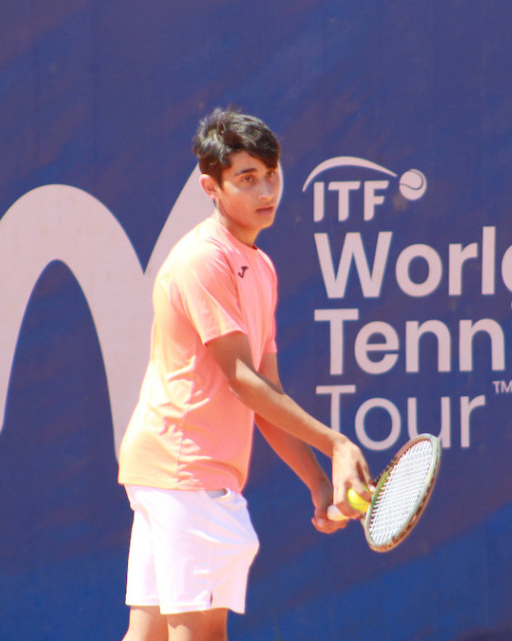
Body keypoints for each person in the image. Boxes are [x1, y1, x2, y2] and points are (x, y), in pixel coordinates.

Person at [117, 107, 373, 641]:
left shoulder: (260, 266)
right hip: (189, 474)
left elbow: (265, 394)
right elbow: (241, 379)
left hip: (169, 473)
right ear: (212, 186)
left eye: (272, 174)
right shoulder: (202, 261)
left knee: (148, 636)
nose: (266, 190)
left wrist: (318, 481)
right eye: (248, 179)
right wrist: (337, 443)